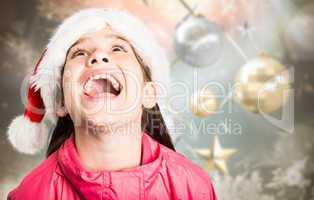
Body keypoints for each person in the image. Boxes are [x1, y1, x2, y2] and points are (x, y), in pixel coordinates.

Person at [7, 8, 217, 200]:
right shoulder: (30, 195)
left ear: (149, 93)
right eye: (79, 53)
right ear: (60, 102)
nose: (98, 56)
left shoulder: (193, 188)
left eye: (117, 48)